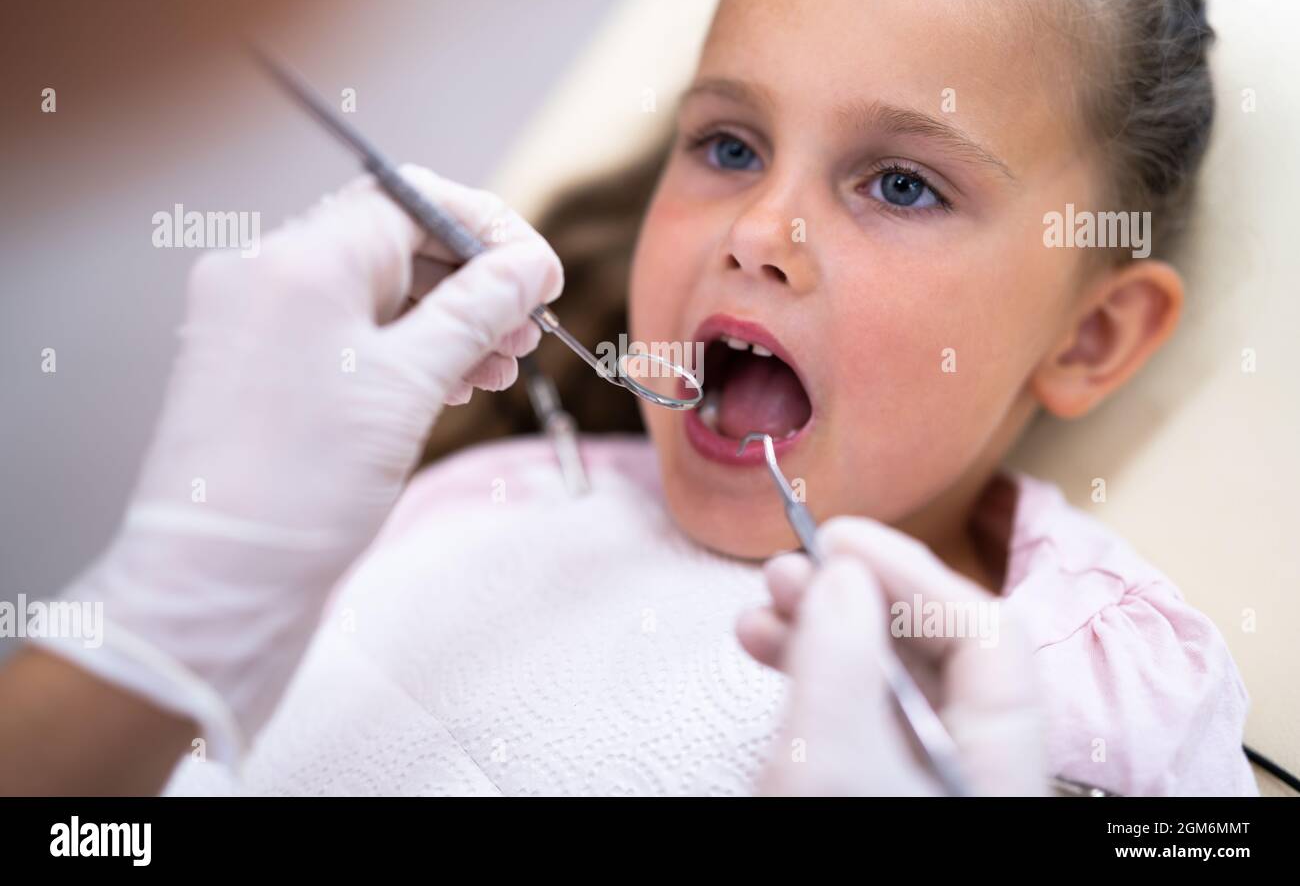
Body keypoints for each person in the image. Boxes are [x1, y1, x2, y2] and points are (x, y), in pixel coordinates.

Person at [0, 168, 1043, 796]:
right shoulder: (485, 501)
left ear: (1088, 337)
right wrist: (162, 626)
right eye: (728, 148)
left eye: (903, 185)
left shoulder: (1095, 678)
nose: (755, 233)